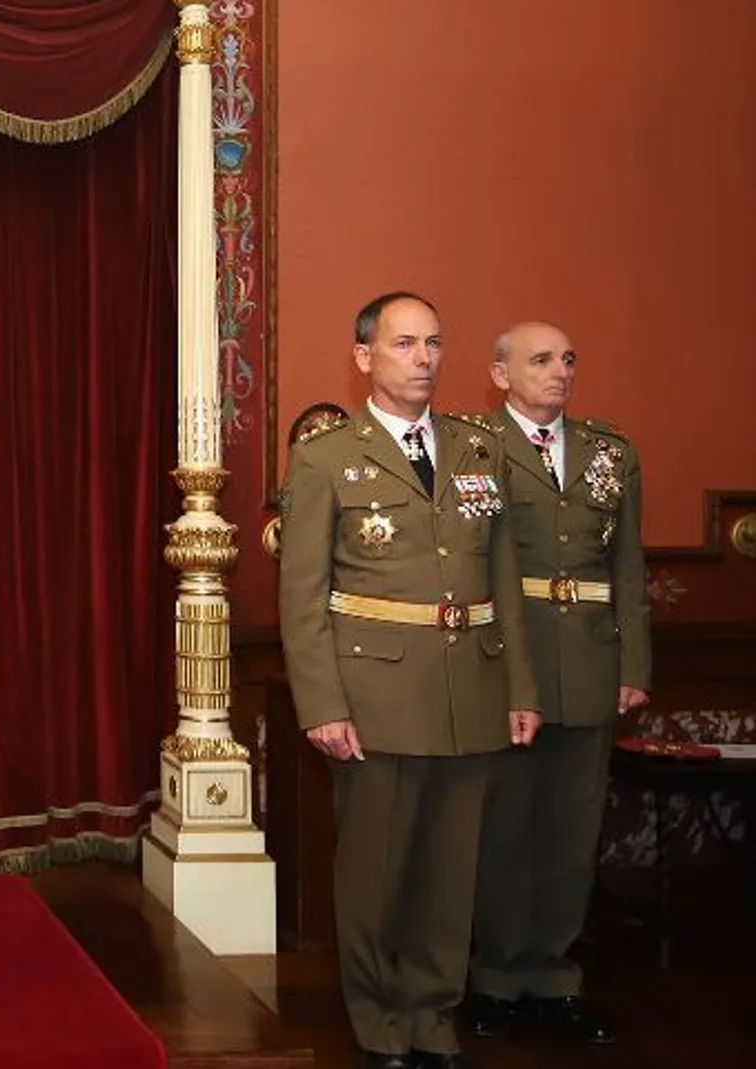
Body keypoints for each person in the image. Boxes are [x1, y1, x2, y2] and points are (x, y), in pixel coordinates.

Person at [278, 292, 541, 1069]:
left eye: (433, 343)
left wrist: (521, 688)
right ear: (365, 356)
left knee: (450, 873)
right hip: (377, 696)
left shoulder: (475, 449)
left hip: (472, 691)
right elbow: (302, 596)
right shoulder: (326, 456)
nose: (423, 358)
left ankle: (433, 1016)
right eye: (404, 344)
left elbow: (504, 580)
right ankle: (379, 1020)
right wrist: (321, 703)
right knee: (377, 874)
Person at [460, 322, 649, 1046]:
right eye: (541, 360)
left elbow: (628, 568)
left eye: (569, 359)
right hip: (510, 657)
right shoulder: (474, 448)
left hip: (592, 657)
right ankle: (498, 975)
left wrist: (633, 665)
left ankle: (555, 975)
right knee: (505, 825)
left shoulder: (611, 451)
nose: (561, 371)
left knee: (573, 828)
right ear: (500, 373)